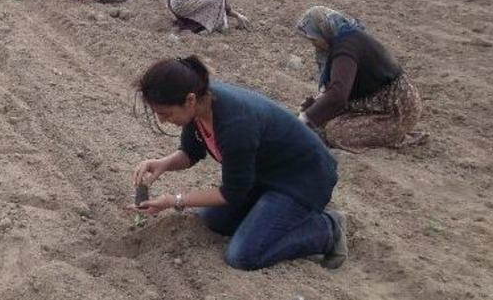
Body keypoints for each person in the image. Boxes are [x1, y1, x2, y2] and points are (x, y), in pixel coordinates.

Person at [131, 55, 347, 270]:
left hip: (302, 180)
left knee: (242, 255)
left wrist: (174, 200)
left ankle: (327, 229)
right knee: (213, 220)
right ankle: (268, 219)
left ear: (189, 100)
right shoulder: (199, 105)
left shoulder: (235, 125)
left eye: (166, 114)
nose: (162, 120)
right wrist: (162, 164)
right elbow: (191, 153)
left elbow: (231, 193)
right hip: (263, 174)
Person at [295, 6, 425, 149]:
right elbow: (340, 87)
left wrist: (305, 119)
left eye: (314, 39)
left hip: (396, 109)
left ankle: (396, 134)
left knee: (336, 132)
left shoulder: (346, 48)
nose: (314, 44)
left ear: (323, 30)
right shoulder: (344, 39)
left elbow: (338, 95)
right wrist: (316, 106)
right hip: (371, 102)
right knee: (319, 114)